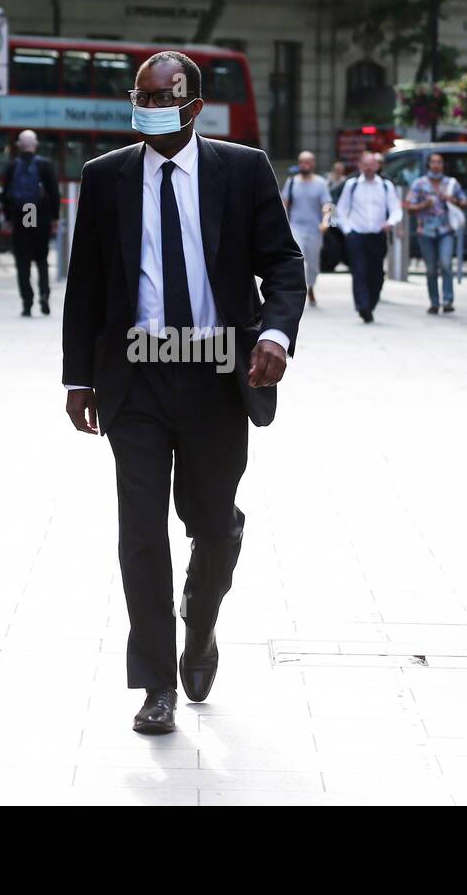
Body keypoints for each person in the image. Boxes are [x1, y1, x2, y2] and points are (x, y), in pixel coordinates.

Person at [62, 51, 305, 734]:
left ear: (194, 109)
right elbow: (86, 286)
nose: (146, 114)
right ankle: (156, 685)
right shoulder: (106, 178)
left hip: (216, 375)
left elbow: (284, 264)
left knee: (211, 525)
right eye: (138, 100)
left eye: (161, 103)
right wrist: (78, 377)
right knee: (140, 531)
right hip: (134, 376)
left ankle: (199, 627)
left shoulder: (242, 169)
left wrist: (276, 337)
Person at [0, 129, 60, 316]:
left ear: (19, 145)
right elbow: (54, 193)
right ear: (35, 145)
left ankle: (27, 302)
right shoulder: (45, 166)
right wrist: (55, 218)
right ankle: (44, 294)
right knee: (42, 260)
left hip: (21, 218)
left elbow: (4, 195)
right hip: (39, 218)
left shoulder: (12, 166)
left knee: (23, 262)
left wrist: (9, 218)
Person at [335, 151, 400, 323]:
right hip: (357, 234)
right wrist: (347, 230)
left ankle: (370, 304)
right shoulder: (352, 185)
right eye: (366, 164)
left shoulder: (386, 186)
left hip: (378, 236)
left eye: (372, 164)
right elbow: (341, 210)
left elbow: (396, 210)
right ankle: (362, 306)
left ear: (377, 166)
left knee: (376, 273)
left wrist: (390, 222)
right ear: (360, 166)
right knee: (359, 271)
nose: (369, 167)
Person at [404, 152, 466, 314]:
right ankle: (434, 302)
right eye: (433, 162)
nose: (436, 165)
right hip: (425, 231)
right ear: (428, 165)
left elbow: (465, 203)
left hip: (446, 230)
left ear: (443, 165)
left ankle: (447, 300)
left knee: (446, 264)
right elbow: (409, 206)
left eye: (439, 162)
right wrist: (424, 204)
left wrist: (452, 200)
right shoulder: (419, 184)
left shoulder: (451, 183)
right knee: (431, 268)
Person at [281, 150, 332, 307]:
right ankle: (300, 291)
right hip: (295, 227)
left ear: (313, 164)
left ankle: (310, 286)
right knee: (299, 260)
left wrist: (326, 222)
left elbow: (328, 205)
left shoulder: (321, 183)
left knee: (313, 264)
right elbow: (284, 203)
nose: (305, 165)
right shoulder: (291, 182)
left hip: (315, 230)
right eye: (302, 162)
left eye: (308, 162)